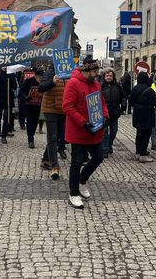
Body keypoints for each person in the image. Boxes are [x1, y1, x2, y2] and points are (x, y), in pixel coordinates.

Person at [63, 56, 108, 210]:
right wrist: (83, 122)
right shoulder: (73, 83)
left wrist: (106, 116)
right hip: (79, 130)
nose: (97, 74)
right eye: (95, 71)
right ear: (87, 71)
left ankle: (82, 180)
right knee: (76, 162)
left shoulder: (96, 84)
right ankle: (73, 193)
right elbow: (68, 106)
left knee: (98, 157)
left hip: (94, 130)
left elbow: (101, 102)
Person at [39, 65, 67, 179]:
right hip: (50, 109)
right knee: (52, 137)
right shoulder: (50, 72)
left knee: (59, 136)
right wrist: (52, 82)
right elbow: (41, 87)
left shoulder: (68, 73)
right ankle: (54, 166)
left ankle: (46, 159)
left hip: (63, 109)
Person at [129, 71, 156, 163]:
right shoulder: (150, 90)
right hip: (147, 113)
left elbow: (130, 102)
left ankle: (138, 152)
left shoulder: (134, 89)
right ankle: (143, 154)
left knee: (139, 133)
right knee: (146, 134)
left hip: (137, 113)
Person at [100, 68, 124, 158]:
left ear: (113, 76)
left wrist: (123, 105)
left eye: (110, 75)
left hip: (115, 112)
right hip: (104, 113)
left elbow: (123, 96)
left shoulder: (118, 86)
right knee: (105, 132)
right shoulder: (101, 86)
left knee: (114, 131)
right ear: (104, 76)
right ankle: (105, 149)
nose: (109, 77)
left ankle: (109, 145)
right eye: (107, 75)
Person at [20, 68, 43, 149]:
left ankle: (32, 135)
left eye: (41, 77)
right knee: (30, 122)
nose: (40, 78)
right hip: (29, 105)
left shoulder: (43, 82)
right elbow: (22, 91)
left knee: (35, 122)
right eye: (39, 77)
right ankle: (30, 140)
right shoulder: (28, 81)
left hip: (38, 105)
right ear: (35, 75)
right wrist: (26, 97)